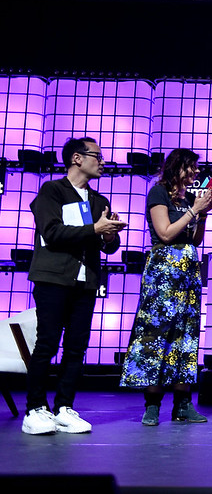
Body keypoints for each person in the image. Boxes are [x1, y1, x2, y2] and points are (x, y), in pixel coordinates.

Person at [23, 137, 126, 435]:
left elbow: (107, 246)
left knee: (76, 348)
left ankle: (64, 407)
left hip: (85, 281)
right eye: (98, 156)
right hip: (53, 279)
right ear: (77, 158)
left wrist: (109, 236)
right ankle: (35, 408)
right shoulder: (52, 191)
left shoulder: (99, 201)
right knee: (47, 344)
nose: (103, 161)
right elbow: (52, 232)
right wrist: (95, 228)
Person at [120, 149, 212, 426]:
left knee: (185, 337)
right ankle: (152, 404)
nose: (197, 173)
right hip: (163, 270)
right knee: (155, 336)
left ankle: (182, 404)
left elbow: (196, 240)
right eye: (193, 167)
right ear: (179, 168)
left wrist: (204, 214)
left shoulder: (189, 199)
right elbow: (165, 232)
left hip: (188, 270)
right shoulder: (159, 193)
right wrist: (193, 211)